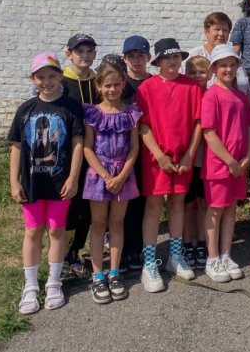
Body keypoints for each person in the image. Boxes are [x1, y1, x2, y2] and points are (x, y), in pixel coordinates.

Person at [9, 52, 84, 314]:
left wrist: (73, 177)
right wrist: (13, 181)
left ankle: (53, 282)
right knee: (32, 231)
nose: (46, 81)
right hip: (31, 182)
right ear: (33, 79)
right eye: (40, 77)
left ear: (60, 76)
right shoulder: (26, 109)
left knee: (56, 231)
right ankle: (30, 285)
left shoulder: (70, 107)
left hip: (60, 183)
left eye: (52, 76)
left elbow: (77, 144)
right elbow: (17, 147)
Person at [136, 38, 203, 292]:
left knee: (178, 205)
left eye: (176, 57)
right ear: (158, 62)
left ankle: (175, 256)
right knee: (153, 207)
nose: (172, 61)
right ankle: (150, 262)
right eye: (167, 58)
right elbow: (143, 125)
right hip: (155, 160)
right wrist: (159, 156)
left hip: (182, 157)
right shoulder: (147, 88)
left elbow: (198, 123)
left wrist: (188, 156)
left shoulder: (192, 86)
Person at [82, 61, 141, 303]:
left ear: (123, 84)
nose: (112, 89)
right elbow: (87, 148)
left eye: (117, 84)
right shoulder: (92, 113)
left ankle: (114, 272)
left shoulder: (131, 113)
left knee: (117, 224)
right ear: (99, 87)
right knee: (98, 225)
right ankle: (98, 275)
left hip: (123, 175)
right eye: (107, 85)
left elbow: (134, 149)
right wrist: (106, 176)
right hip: (99, 175)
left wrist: (122, 175)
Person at [201, 44, 250, 282]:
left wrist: (247, 156)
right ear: (214, 68)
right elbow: (209, 133)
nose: (228, 69)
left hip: (239, 165)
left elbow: (249, 127)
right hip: (220, 165)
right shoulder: (211, 96)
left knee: (231, 209)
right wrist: (230, 161)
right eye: (223, 65)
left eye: (232, 65)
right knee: (215, 211)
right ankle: (212, 258)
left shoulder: (242, 97)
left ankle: (225, 254)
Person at [62, 33, 100, 277]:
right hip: (68, 154)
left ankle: (76, 252)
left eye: (89, 51)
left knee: (86, 208)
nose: (84, 56)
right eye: (79, 51)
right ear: (69, 55)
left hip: (95, 154)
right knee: (69, 206)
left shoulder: (98, 82)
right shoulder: (62, 83)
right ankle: (63, 256)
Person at [120, 35, 151, 272]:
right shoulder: (120, 86)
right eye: (131, 56)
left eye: (140, 56)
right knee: (125, 203)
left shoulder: (154, 82)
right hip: (123, 154)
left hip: (149, 154)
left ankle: (138, 249)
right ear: (125, 59)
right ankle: (124, 249)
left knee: (142, 202)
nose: (136, 60)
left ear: (148, 58)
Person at [182, 54, 211, 270]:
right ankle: (186, 241)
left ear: (209, 74)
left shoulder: (211, 95)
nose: (197, 76)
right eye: (192, 72)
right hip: (185, 158)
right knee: (186, 203)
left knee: (202, 202)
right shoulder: (185, 95)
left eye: (202, 72)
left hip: (205, 159)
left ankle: (201, 241)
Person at [188, 11, 249, 93]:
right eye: (217, 29)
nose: (221, 33)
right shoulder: (192, 56)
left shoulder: (234, 56)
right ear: (207, 31)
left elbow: (246, 88)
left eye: (225, 30)